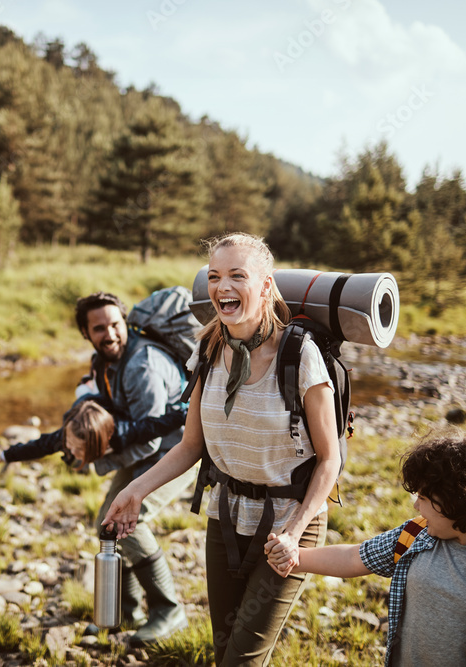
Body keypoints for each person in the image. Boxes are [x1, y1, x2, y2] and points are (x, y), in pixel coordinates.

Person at [102, 232, 342, 665]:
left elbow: (330, 459)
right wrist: (135, 490)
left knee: (242, 658)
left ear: (266, 286)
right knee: (224, 645)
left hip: (287, 526)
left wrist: (293, 531)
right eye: (214, 276)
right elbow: (190, 445)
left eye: (237, 275)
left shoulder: (299, 356)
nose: (222, 287)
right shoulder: (209, 348)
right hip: (226, 518)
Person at [265, 430, 466, 667]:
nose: (416, 505)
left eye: (423, 496)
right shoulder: (417, 537)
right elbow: (353, 557)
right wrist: (298, 556)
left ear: (456, 500)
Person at [0, 290, 197, 646]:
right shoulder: (103, 364)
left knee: (134, 520)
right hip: (145, 450)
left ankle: (168, 610)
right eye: (99, 328)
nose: (109, 334)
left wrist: (95, 458)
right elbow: (82, 433)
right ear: (86, 333)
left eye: (115, 324)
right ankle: (127, 612)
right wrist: (6, 455)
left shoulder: (141, 364)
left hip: (177, 450)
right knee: (109, 523)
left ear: (125, 322)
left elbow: (147, 437)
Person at [0, 397, 186, 474]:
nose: (72, 451)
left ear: (100, 445)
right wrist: (1, 456)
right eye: (70, 445)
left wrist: (186, 413)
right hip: (86, 404)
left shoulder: (124, 433)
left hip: (105, 415)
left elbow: (156, 425)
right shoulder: (67, 438)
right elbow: (39, 446)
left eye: (79, 449)